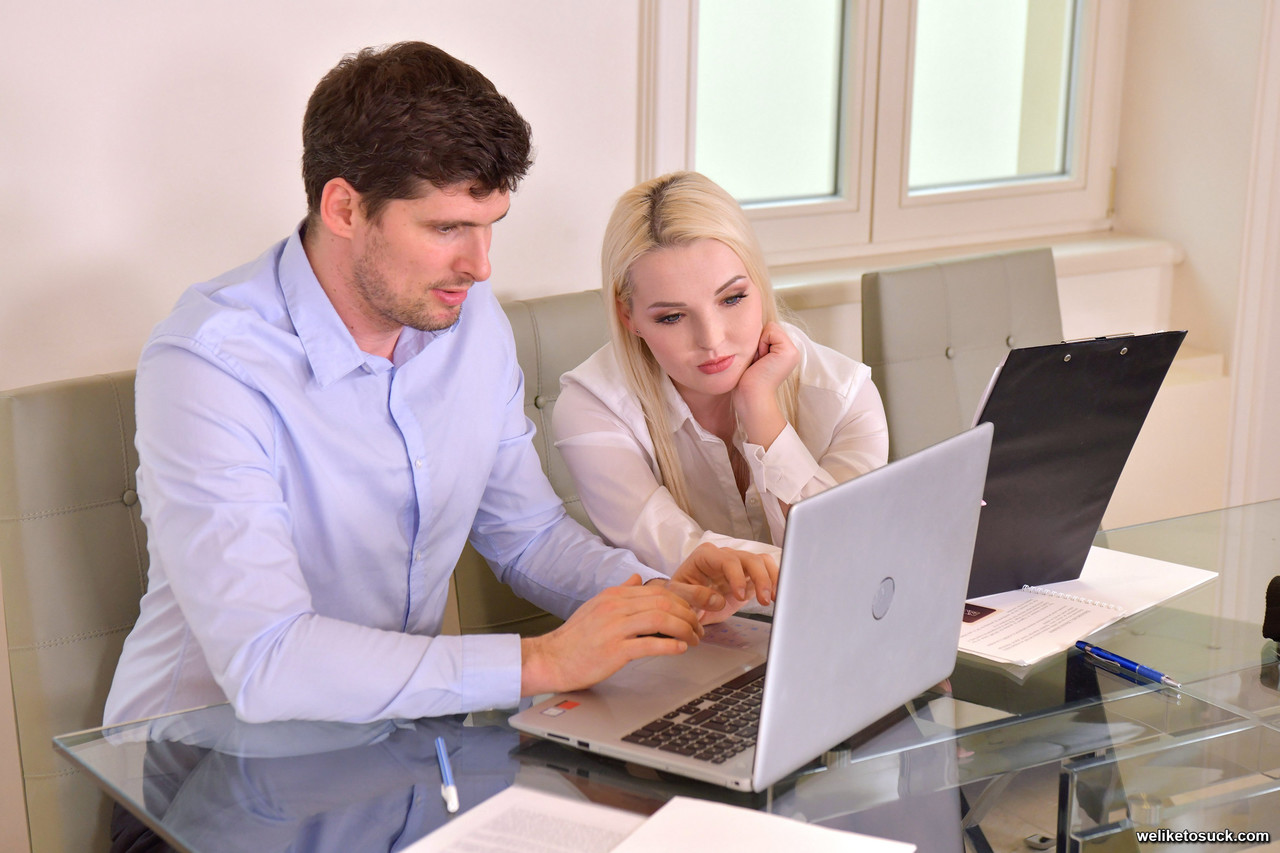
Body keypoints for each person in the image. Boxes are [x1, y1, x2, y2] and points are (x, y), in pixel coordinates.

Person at [103, 44, 777, 730]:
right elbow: (266, 660)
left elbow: (527, 537)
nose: (480, 267)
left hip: (402, 742)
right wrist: (541, 660)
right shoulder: (208, 364)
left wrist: (661, 596)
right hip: (204, 757)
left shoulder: (468, 318)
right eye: (447, 227)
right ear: (344, 208)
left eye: (489, 227)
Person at [553, 171, 889, 575]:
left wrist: (761, 411)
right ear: (629, 316)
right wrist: (822, 565)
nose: (712, 340)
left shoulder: (843, 395)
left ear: (759, 284)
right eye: (672, 316)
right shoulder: (593, 408)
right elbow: (689, 561)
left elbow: (850, 558)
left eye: (732, 298)